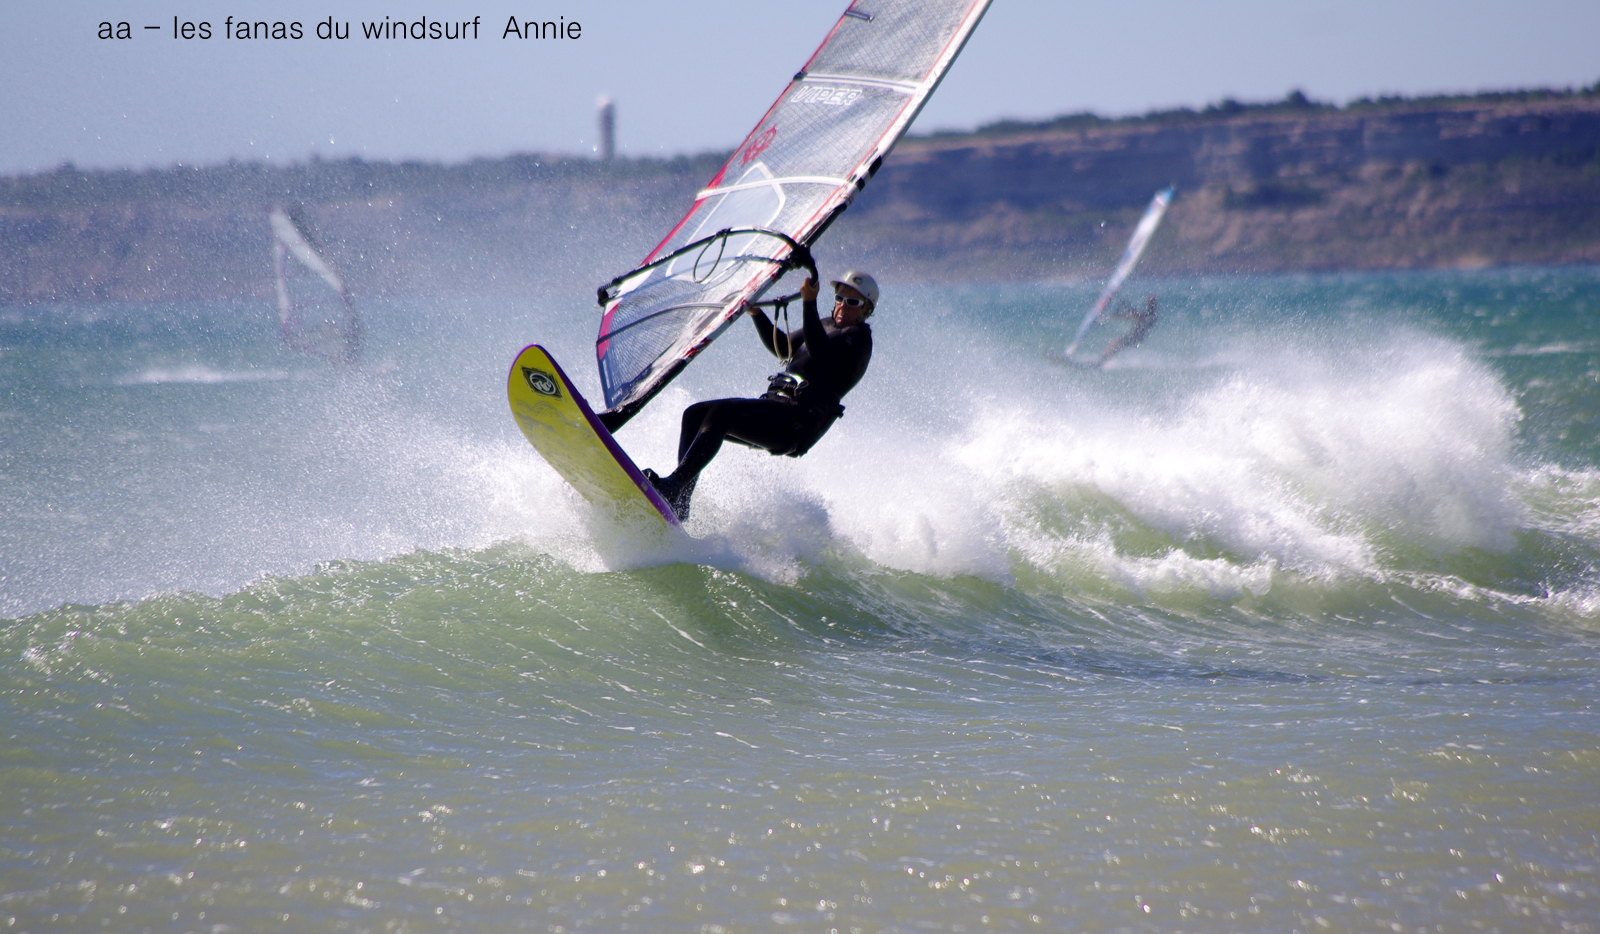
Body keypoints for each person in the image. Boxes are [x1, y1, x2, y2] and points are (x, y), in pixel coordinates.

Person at [643, 271, 878, 520]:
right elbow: (783, 347)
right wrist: (756, 313)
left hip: (798, 424)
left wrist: (809, 302)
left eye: (853, 302)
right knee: (694, 415)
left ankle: (674, 485)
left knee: (723, 414)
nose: (843, 305)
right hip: (778, 408)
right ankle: (679, 503)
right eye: (839, 298)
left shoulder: (859, 338)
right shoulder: (827, 324)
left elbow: (820, 351)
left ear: (866, 309)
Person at [1094, 295, 1158, 367]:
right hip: (1137, 337)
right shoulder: (1151, 315)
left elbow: (1132, 316)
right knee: (1115, 346)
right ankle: (1102, 362)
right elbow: (1133, 315)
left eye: (1149, 303)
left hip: (1135, 337)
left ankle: (1100, 363)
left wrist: (1114, 315)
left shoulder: (1147, 316)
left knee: (1113, 344)